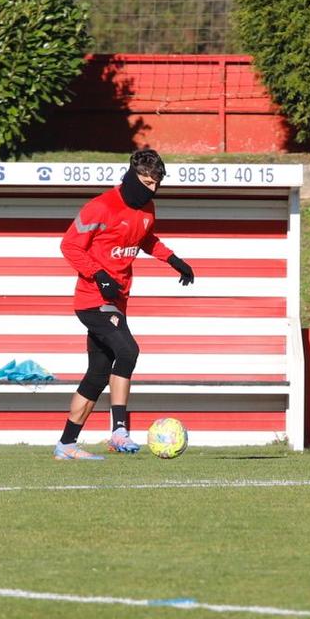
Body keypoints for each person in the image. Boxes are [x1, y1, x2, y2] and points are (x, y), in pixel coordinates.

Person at [55, 148, 194, 459]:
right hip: (93, 300)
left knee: (97, 374)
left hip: (118, 301)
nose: (151, 190)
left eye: (156, 184)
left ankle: (65, 445)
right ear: (132, 176)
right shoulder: (100, 207)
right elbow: (69, 245)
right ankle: (119, 431)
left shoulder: (147, 209)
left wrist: (173, 259)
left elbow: (145, 238)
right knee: (129, 350)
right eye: (146, 183)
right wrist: (98, 274)